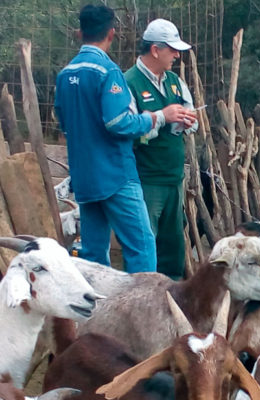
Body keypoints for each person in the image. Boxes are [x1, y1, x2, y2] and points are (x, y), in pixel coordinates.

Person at [55, 5, 190, 272]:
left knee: (93, 251)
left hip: (85, 177)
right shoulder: (108, 72)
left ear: (80, 32)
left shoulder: (65, 75)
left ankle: (98, 310)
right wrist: (157, 117)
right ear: (112, 33)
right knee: (142, 246)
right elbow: (118, 122)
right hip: (116, 174)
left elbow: (63, 121)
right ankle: (142, 311)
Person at [125, 19, 198, 280]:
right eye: (172, 50)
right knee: (146, 243)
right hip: (146, 179)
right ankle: (143, 297)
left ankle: (173, 296)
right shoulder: (128, 82)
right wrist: (164, 117)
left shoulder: (175, 82)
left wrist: (187, 121)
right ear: (155, 50)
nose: (177, 55)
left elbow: (193, 120)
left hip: (174, 177)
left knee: (173, 244)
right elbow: (130, 129)